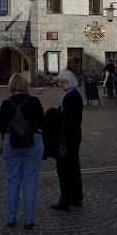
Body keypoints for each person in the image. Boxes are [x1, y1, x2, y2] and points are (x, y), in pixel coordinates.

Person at [0, 74, 45, 230]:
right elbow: (43, 124)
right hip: (32, 143)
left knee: (13, 181)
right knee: (30, 181)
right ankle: (28, 220)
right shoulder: (34, 101)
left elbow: (0, 127)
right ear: (25, 85)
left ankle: (11, 218)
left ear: (11, 86)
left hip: (12, 144)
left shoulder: (6, 103)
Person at [51, 70, 84, 212]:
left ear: (68, 81)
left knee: (64, 169)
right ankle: (76, 198)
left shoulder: (71, 96)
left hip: (68, 137)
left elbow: (69, 119)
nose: (59, 84)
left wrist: (55, 114)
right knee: (73, 167)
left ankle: (65, 201)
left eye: (61, 82)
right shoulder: (72, 94)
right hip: (73, 136)